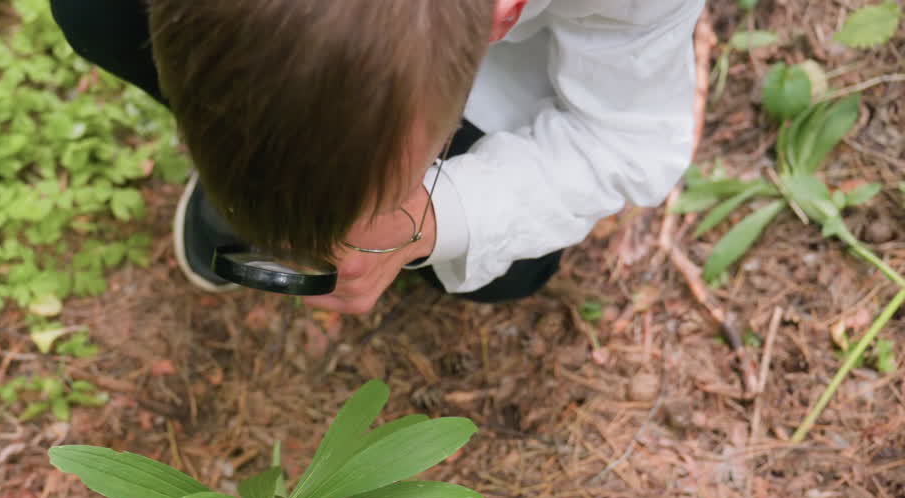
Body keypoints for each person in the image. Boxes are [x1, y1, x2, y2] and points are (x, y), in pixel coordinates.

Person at [49, 0, 703, 315]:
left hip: (484, 73)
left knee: (511, 269)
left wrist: (425, 217)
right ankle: (267, 176)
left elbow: (621, 139)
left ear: (500, 19)